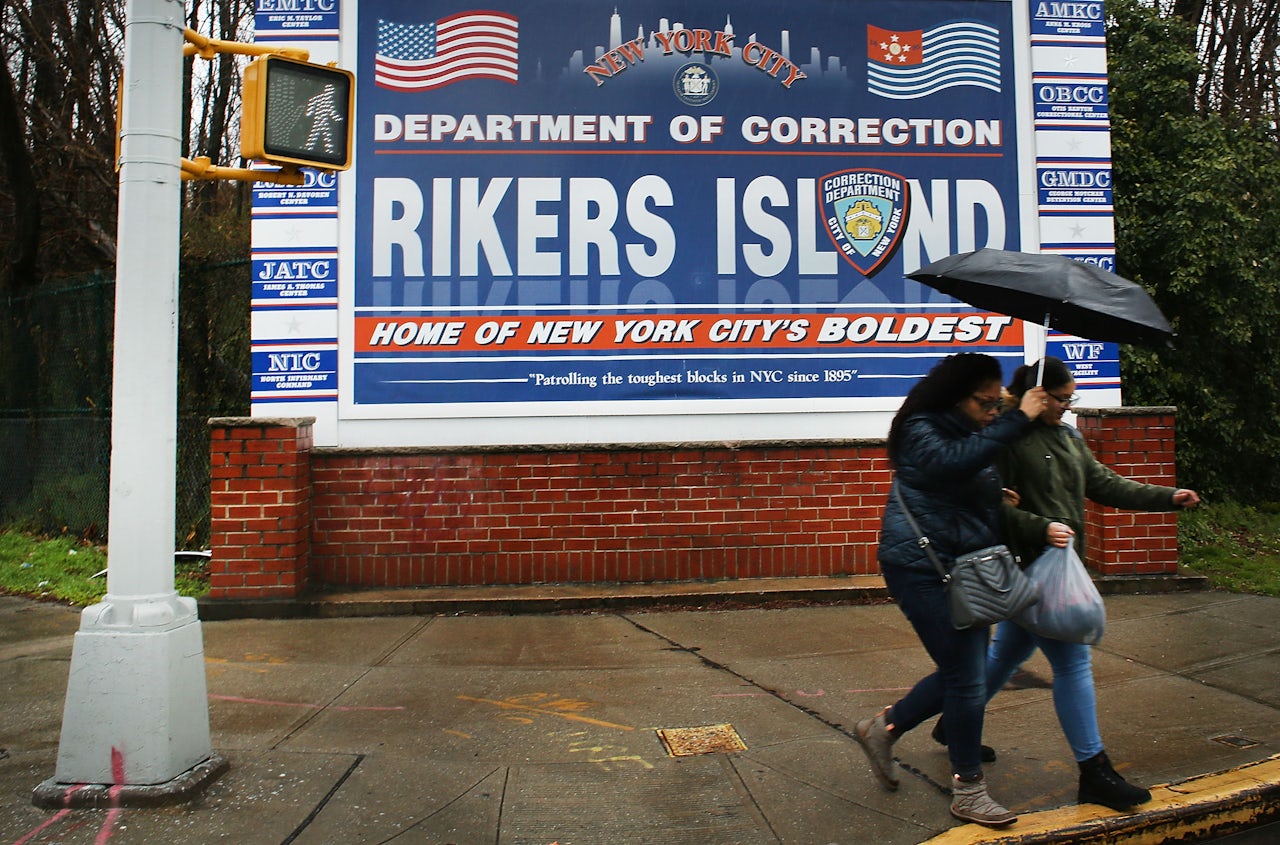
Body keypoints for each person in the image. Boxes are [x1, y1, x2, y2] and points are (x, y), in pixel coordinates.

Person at [978, 356, 1200, 811]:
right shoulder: (1006, 438)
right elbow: (987, 507)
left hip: (1059, 568)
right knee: (1074, 662)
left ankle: (953, 721)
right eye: (1061, 399)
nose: (1067, 406)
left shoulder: (1067, 436)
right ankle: (1094, 772)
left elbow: (1104, 484)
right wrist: (1040, 527)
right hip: (1031, 569)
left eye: (1070, 399)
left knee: (1007, 653)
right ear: (1038, 395)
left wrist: (1168, 497)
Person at [854, 353, 1048, 828]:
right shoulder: (921, 427)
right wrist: (1021, 415)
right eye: (986, 402)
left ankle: (884, 727)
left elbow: (958, 480)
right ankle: (969, 788)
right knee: (966, 675)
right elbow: (949, 465)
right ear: (956, 397)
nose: (992, 411)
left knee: (967, 670)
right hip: (920, 567)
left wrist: (995, 496)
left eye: (997, 403)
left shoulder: (964, 429)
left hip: (958, 565)